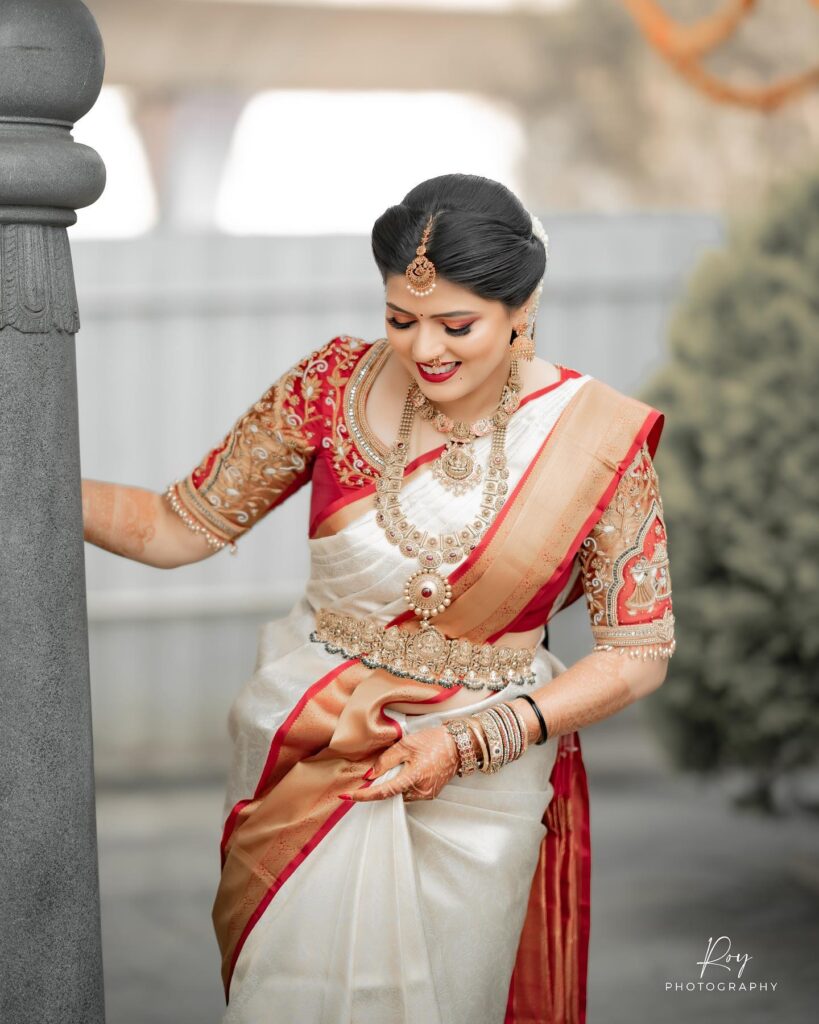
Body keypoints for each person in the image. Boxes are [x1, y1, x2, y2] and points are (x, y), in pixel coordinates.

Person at [82, 173, 675, 1024]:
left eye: (455, 324)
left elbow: (638, 652)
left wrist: (473, 738)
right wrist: (34, 483)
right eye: (400, 318)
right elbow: (178, 527)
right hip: (307, 742)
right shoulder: (331, 386)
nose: (423, 348)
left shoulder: (593, 440)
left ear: (523, 306)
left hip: (480, 785)